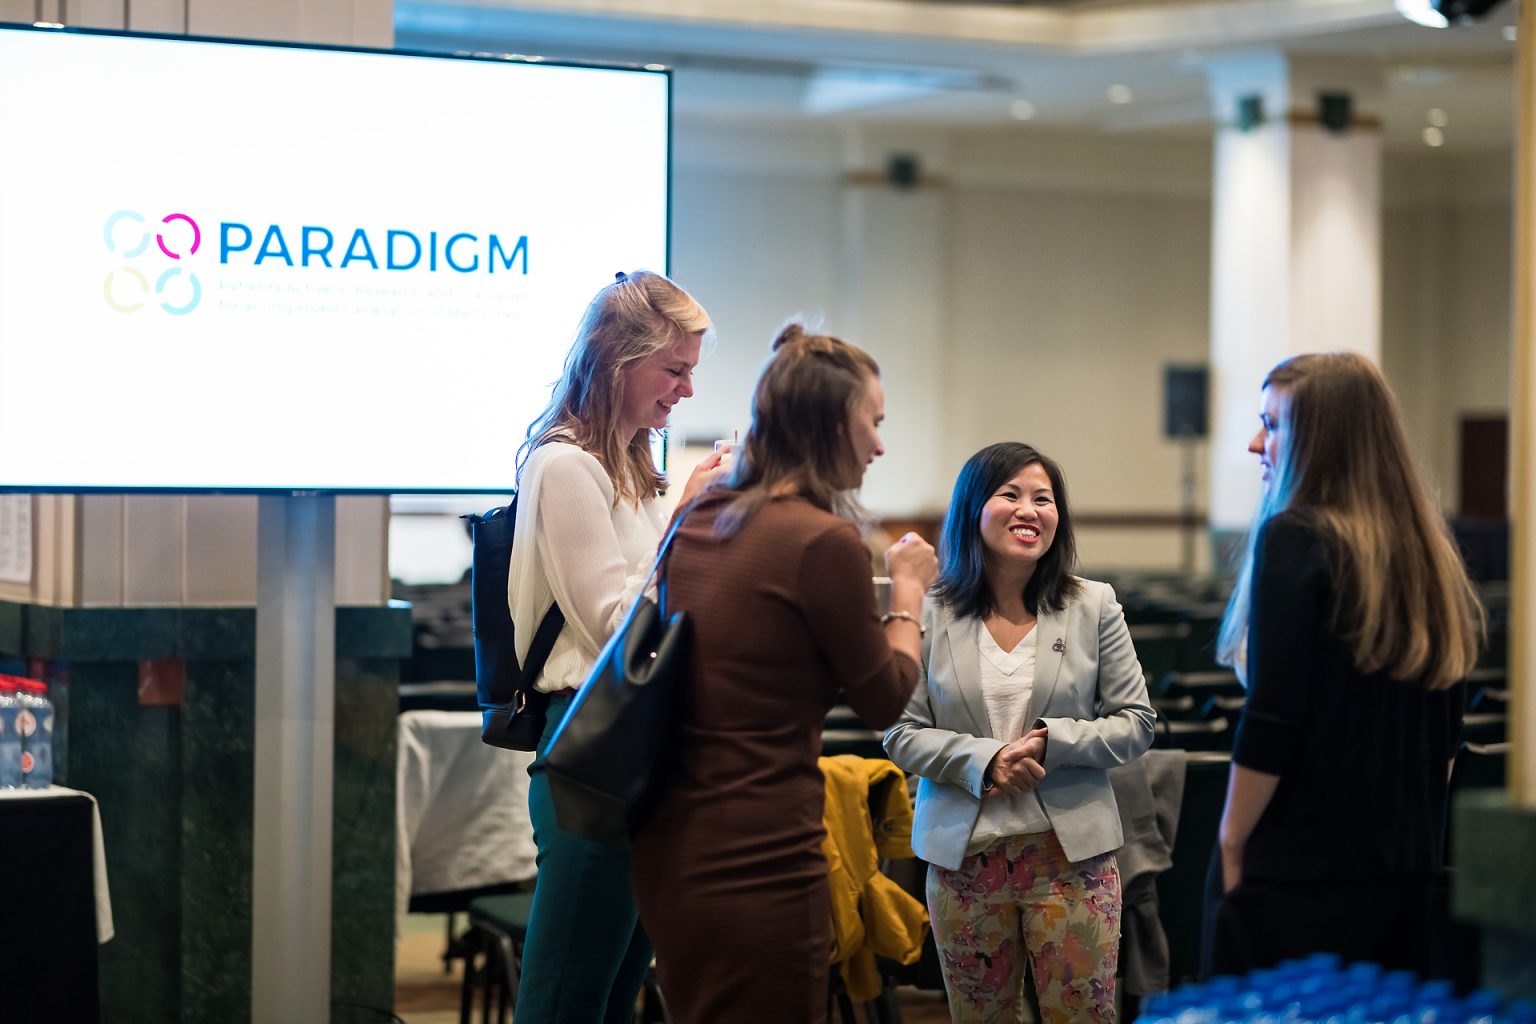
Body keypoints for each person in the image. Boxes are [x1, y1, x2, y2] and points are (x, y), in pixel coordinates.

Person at [628, 323, 939, 1024]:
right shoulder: (822, 541)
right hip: (759, 857)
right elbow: (886, 697)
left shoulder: (702, 512)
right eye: (875, 421)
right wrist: (909, 592)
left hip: (672, 845)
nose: (881, 444)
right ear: (834, 423)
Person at [1203, 352, 1483, 976]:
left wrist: (1230, 839)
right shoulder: (1428, 554)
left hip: (1298, 867)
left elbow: (1274, 720)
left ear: (1321, 439)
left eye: (1272, 424)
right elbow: (1445, 741)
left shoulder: (1296, 538)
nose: (1255, 443)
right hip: (1403, 870)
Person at [508, 270, 724, 1024]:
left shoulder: (632, 465)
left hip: (637, 749)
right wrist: (687, 515)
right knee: (564, 1001)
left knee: (609, 997)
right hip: (591, 750)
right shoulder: (564, 464)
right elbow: (613, 625)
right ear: (616, 360)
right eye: (675, 370)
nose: (685, 392)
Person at [883, 441, 1155, 1024]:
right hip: (965, 863)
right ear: (972, 509)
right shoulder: (928, 610)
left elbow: (1137, 722)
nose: (1029, 509)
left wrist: (1054, 743)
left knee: (1081, 1016)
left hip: (1071, 860)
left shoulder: (1093, 605)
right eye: (1010, 494)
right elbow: (900, 731)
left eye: (1043, 498)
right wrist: (984, 761)